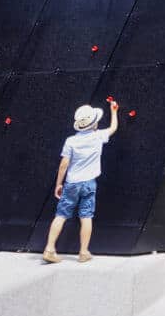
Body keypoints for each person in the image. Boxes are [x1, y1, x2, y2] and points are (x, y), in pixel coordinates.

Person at [42, 98, 118, 264]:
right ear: (94, 124)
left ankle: (49, 249)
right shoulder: (98, 137)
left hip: (72, 183)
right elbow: (113, 128)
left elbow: (63, 165)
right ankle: (83, 252)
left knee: (61, 215)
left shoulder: (71, 141)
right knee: (86, 216)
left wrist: (58, 184)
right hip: (89, 183)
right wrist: (114, 111)